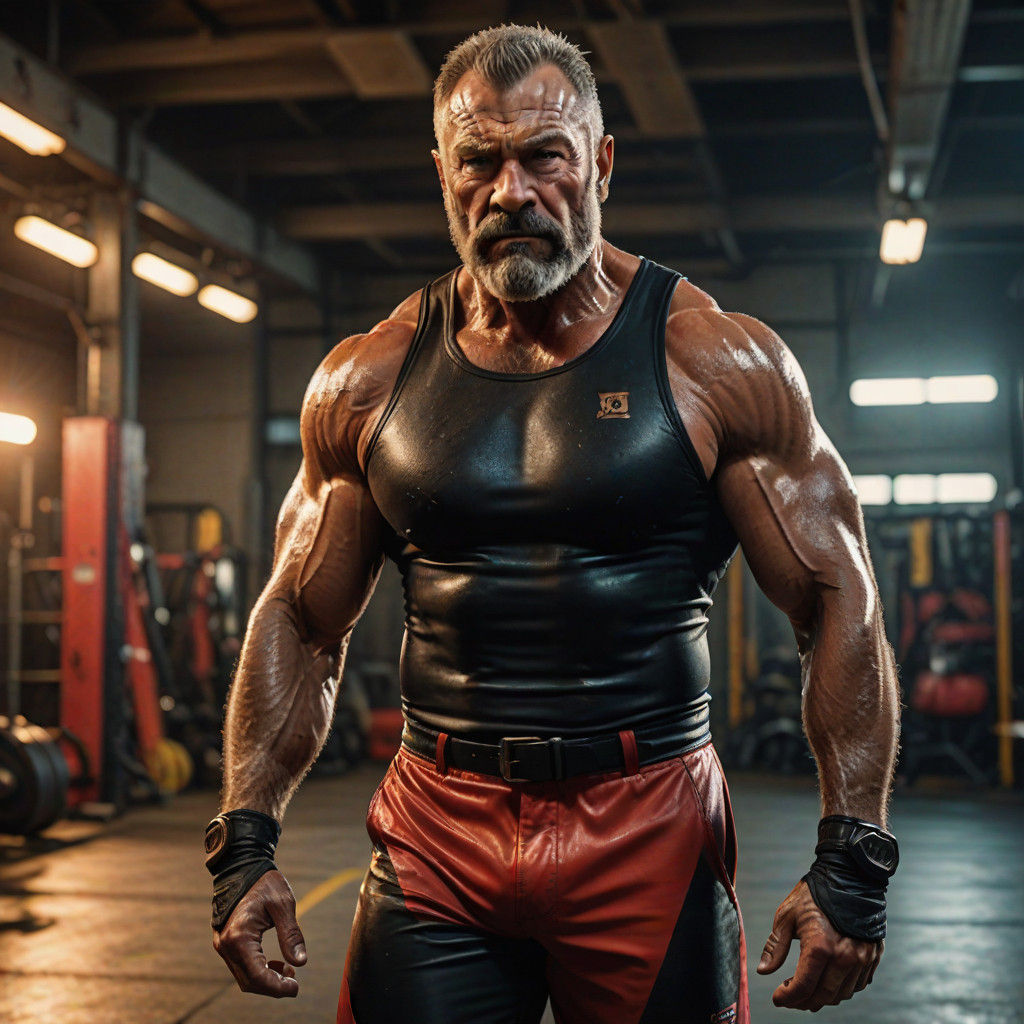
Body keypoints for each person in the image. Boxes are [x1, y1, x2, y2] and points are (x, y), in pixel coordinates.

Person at [204, 24, 900, 1024]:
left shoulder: (713, 359)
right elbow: (301, 619)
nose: (512, 191)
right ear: (443, 174)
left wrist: (854, 855)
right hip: (438, 826)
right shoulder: (368, 377)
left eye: (545, 157)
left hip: (647, 818)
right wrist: (243, 840)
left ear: (601, 165)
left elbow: (839, 598)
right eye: (478, 162)